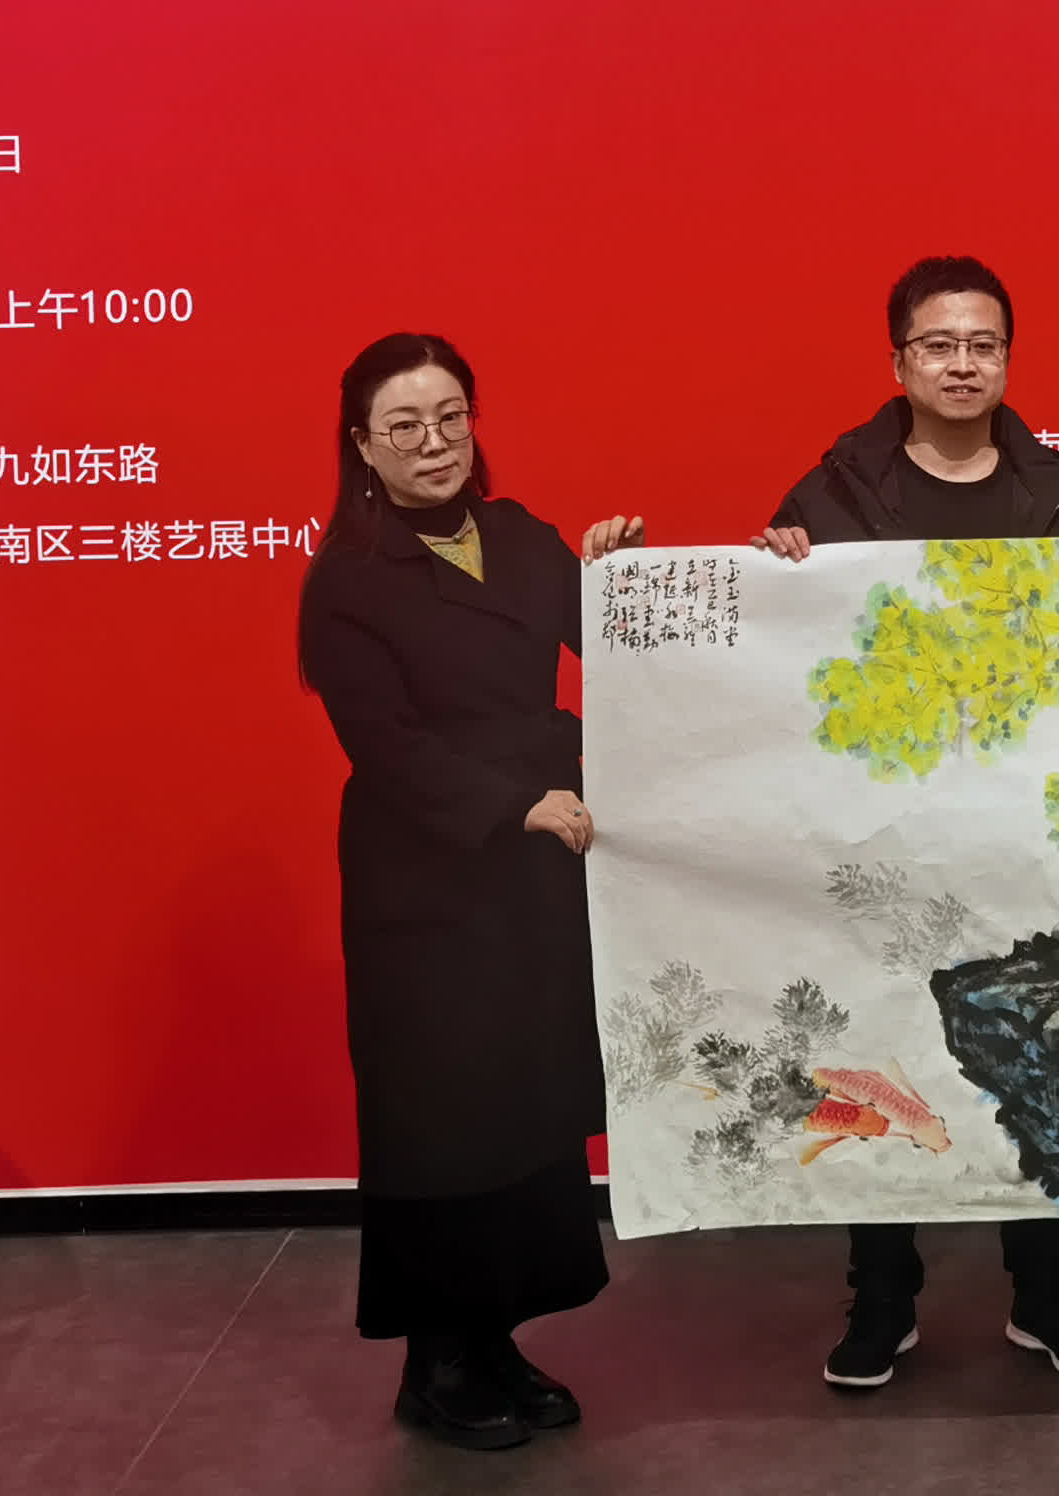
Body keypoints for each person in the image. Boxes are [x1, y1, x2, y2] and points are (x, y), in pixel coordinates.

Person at [583, 256, 1059, 1390]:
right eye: (939, 344)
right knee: (876, 1047)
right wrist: (774, 574)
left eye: (982, 344)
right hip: (878, 836)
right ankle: (881, 1296)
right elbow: (778, 668)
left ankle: (1046, 1289)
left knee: (1036, 1045)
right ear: (899, 362)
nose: (962, 363)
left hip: (1020, 828)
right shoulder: (832, 495)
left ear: (1007, 360)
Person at [297, 333, 608, 1451]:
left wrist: (620, 574)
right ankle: (435, 1364)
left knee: (524, 1104)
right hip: (429, 883)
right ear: (362, 444)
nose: (433, 444)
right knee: (442, 1119)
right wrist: (511, 803)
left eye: (450, 418)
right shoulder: (347, 581)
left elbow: (613, 642)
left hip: (532, 878)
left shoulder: (520, 536)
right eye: (404, 426)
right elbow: (388, 748)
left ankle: (496, 1339)